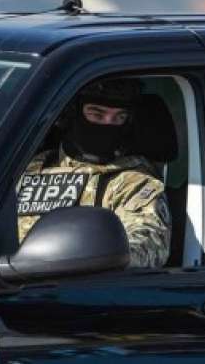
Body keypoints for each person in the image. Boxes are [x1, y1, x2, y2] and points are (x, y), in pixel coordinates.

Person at [16, 77, 171, 269]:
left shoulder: (133, 181)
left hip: (75, 282)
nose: (108, 125)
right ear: (72, 115)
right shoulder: (29, 167)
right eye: (97, 114)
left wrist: (87, 259)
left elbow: (148, 243)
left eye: (119, 118)